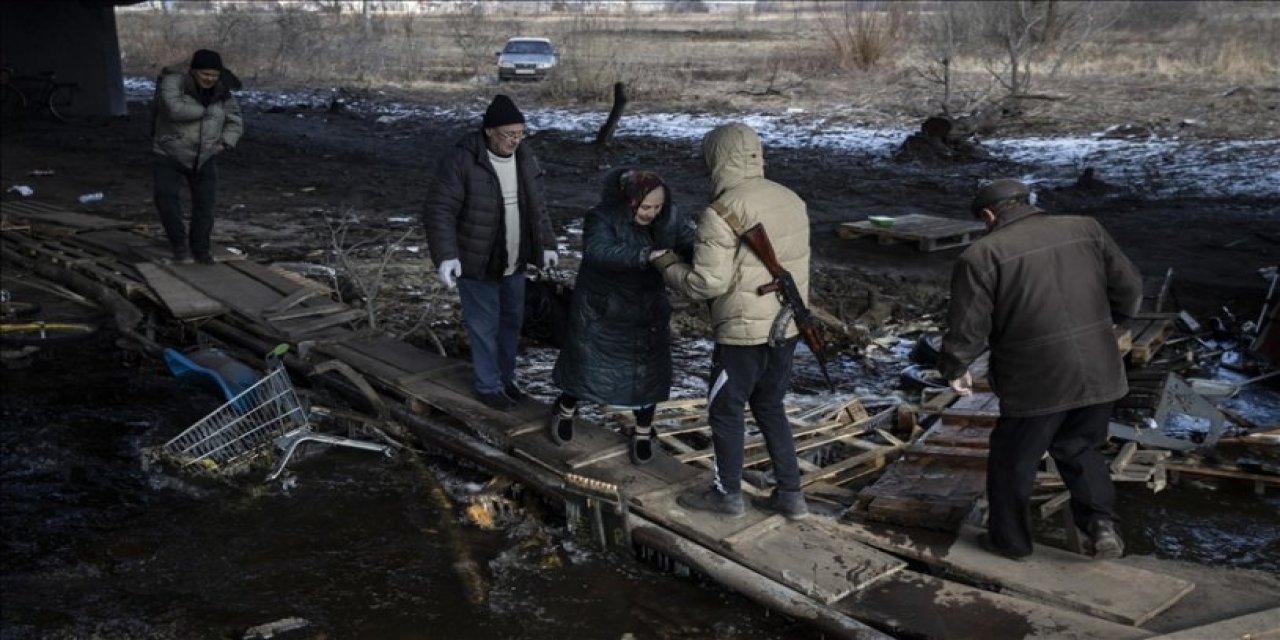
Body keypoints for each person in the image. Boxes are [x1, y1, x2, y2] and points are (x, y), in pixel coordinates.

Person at [938, 178, 1142, 560]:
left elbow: (968, 325)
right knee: (1080, 446)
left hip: (1036, 378)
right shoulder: (1086, 228)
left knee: (1013, 459)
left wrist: (955, 365)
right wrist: (1113, 324)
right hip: (1100, 368)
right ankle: (1101, 525)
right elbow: (1129, 287)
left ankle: (1010, 542)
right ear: (1026, 201)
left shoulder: (981, 254)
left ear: (988, 215)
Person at [652, 123, 811, 520]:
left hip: (743, 332)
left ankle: (727, 495)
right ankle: (791, 496)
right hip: (788, 325)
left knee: (725, 409)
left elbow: (707, 283)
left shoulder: (721, 211)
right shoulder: (791, 197)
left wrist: (666, 264)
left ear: (716, 159)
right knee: (770, 405)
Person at [548, 169, 696, 465]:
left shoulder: (670, 215)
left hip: (647, 309)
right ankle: (565, 408)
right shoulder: (601, 217)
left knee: (647, 374)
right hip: (603, 308)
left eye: (657, 207)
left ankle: (643, 430)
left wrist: (701, 256)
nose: (651, 214)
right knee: (586, 367)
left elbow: (688, 241)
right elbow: (598, 251)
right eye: (645, 208)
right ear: (628, 202)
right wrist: (644, 255)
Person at [422, 94, 557, 410]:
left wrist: (547, 244)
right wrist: (446, 256)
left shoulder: (525, 158)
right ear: (489, 131)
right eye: (509, 134)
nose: (515, 140)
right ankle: (488, 386)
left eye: (520, 133)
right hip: (477, 259)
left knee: (510, 324)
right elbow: (439, 209)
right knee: (484, 326)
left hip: (515, 259)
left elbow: (538, 208)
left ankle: (506, 380)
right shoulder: (463, 160)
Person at [152, 49, 243, 265]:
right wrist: (208, 111)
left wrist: (225, 142)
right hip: (169, 152)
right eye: (205, 74)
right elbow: (175, 110)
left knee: (205, 206)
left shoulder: (222, 92)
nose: (210, 79)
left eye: (214, 75)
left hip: (205, 155)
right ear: (194, 72)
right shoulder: (173, 82)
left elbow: (235, 120)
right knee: (166, 200)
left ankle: (201, 249)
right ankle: (179, 246)